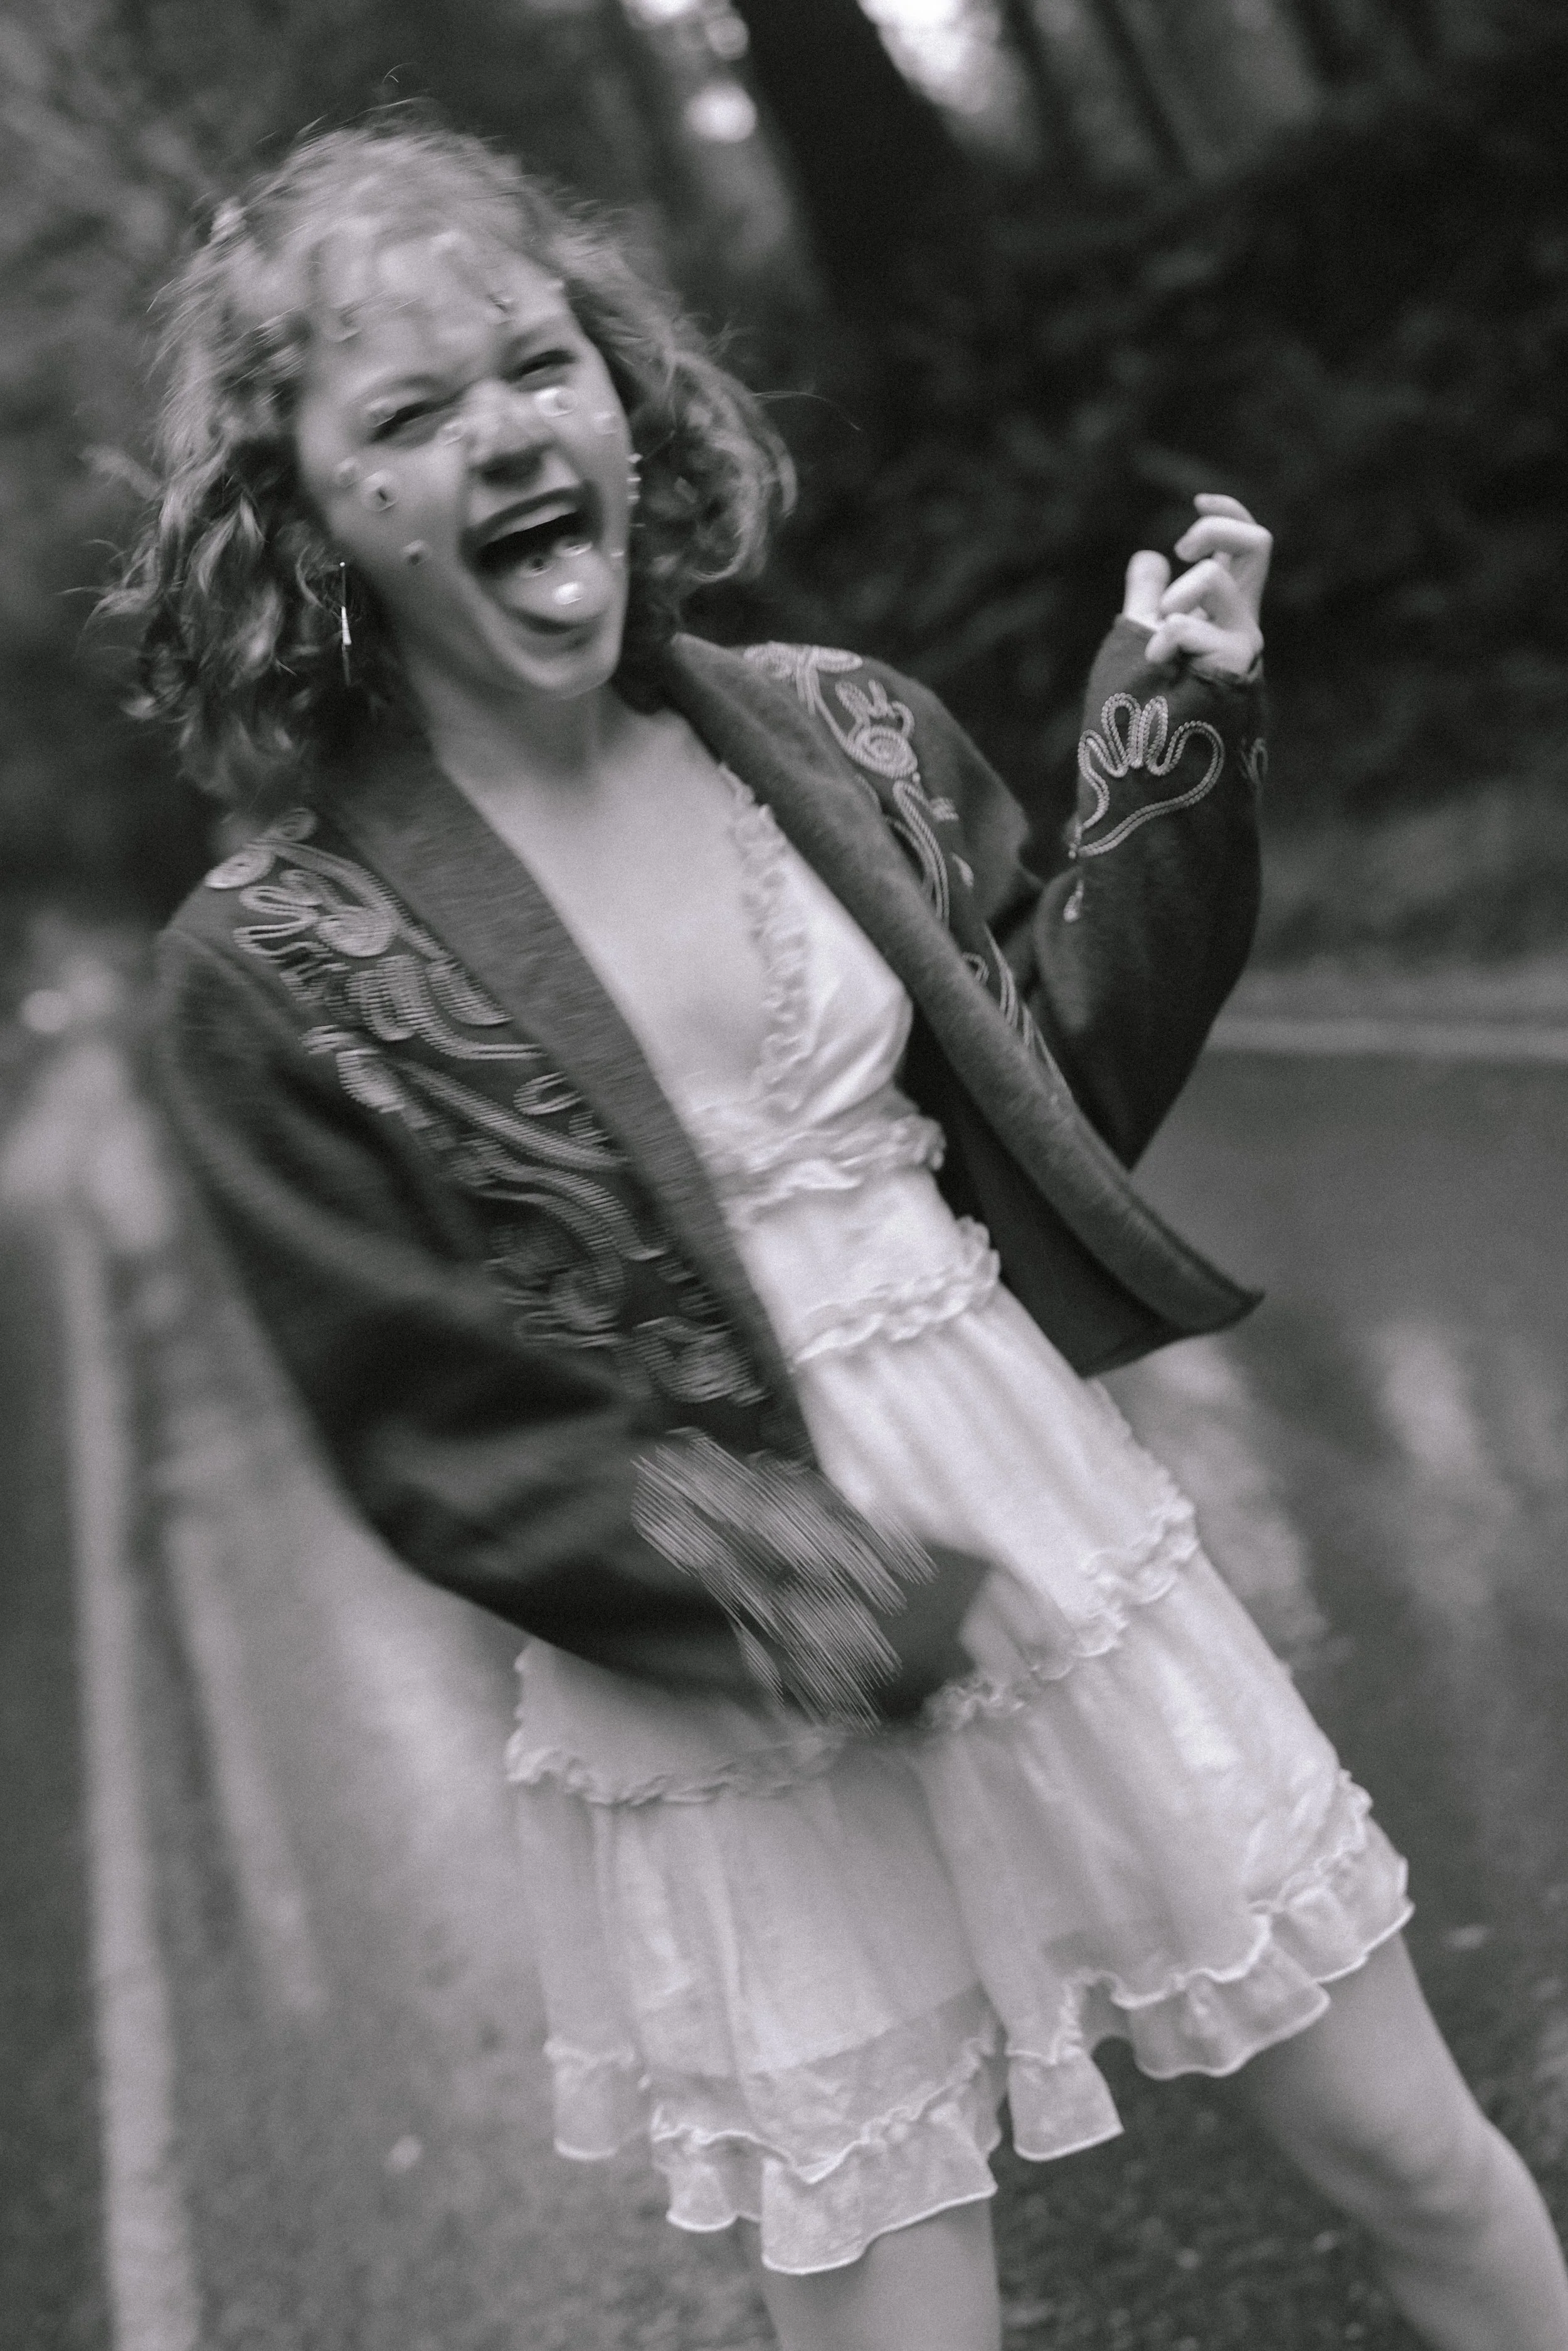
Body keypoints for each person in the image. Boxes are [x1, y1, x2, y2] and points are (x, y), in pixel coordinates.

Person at [122, 119, 1567, 2351]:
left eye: (536, 365)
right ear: (307, 518)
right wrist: (854, 1604)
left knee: (1411, 2156)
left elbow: (1052, 1095)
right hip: (735, 1671)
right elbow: (448, 1440)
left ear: (622, 397)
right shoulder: (274, 967)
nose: (503, 432)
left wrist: (1174, 733)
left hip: (1053, 1553)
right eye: (405, 417)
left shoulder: (838, 732)